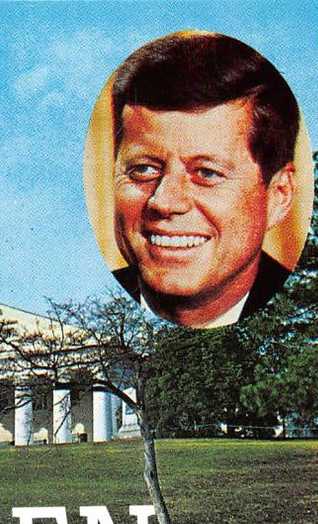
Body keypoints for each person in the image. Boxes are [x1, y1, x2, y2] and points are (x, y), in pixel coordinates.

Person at [110, 32, 300, 327]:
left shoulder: (304, 310)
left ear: (279, 195)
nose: (165, 202)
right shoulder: (103, 308)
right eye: (144, 170)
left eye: (207, 173)